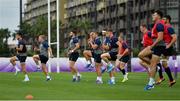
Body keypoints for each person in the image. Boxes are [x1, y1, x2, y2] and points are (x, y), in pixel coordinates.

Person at [144, 10, 165, 90]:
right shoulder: (157, 24)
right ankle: (151, 83)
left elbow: (160, 38)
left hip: (159, 46)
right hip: (158, 46)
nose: (153, 16)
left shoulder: (159, 24)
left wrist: (152, 45)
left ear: (159, 16)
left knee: (153, 65)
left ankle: (151, 84)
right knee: (153, 64)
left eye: (154, 15)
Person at [156, 15, 176, 86]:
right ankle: (171, 80)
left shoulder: (169, 27)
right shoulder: (164, 27)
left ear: (167, 20)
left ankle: (162, 77)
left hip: (167, 47)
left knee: (156, 60)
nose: (162, 20)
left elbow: (175, 37)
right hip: (165, 47)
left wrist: (169, 45)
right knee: (163, 63)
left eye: (164, 19)